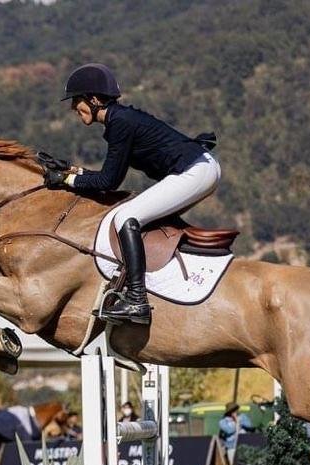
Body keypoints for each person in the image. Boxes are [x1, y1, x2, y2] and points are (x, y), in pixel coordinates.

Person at [44, 63, 221, 325]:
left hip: (195, 171)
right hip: (199, 168)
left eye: (76, 100)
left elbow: (108, 181)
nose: (73, 107)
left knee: (125, 217)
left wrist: (66, 181)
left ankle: (137, 299)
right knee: (142, 218)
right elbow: (111, 174)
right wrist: (73, 171)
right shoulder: (120, 119)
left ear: (94, 100)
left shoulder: (120, 123)